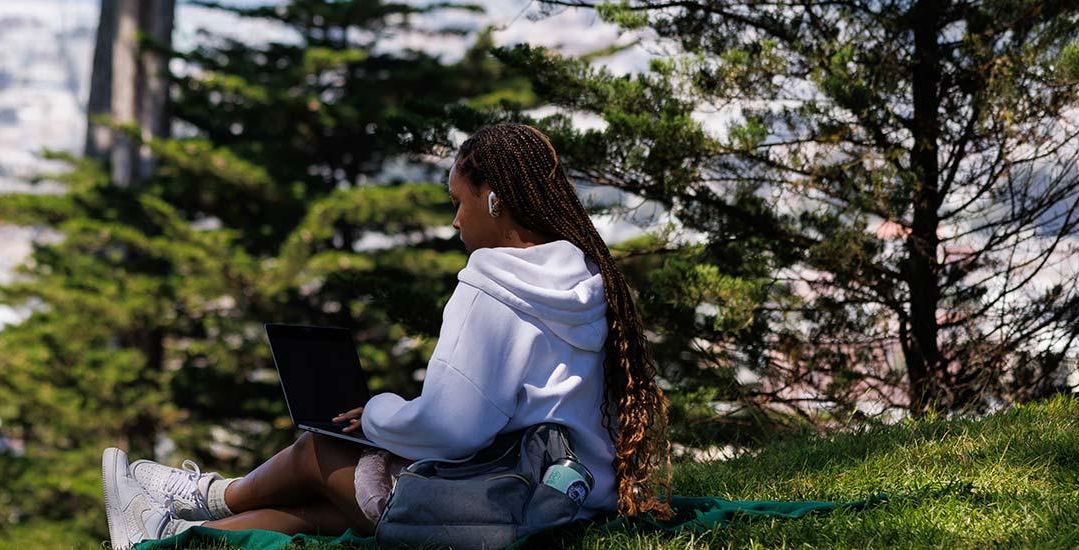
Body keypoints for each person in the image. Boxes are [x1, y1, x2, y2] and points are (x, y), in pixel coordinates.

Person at [102, 123, 672, 549]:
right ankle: (164, 531)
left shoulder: (493, 284)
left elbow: (451, 427)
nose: (455, 222)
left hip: (509, 506)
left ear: (494, 197)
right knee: (326, 512)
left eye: (458, 202)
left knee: (321, 452)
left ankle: (201, 499)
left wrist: (378, 414)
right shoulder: (588, 278)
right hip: (575, 499)